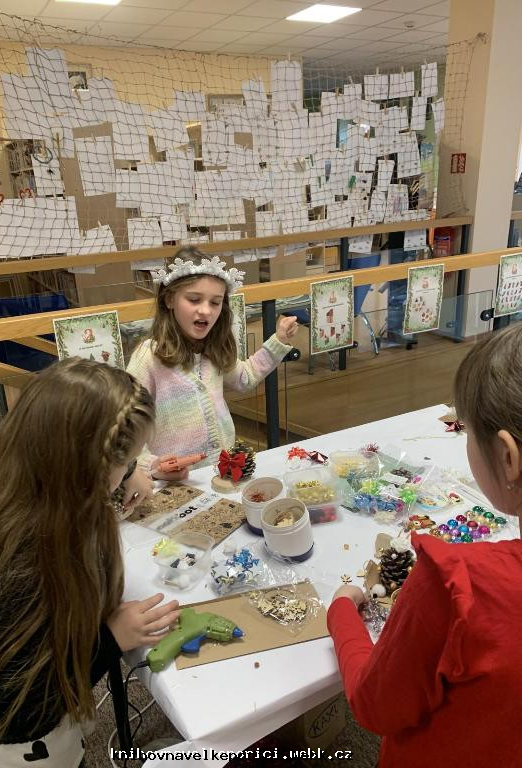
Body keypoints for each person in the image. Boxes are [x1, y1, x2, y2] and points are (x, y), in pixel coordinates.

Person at [0, 358, 180, 768]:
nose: (131, 469)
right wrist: (110, 640)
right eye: (126, 460)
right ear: (88, 472)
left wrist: (126, 472)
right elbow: (15, 715)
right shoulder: (20, 570)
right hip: (11, 743)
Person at [327, 324, 522, 767]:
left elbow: (375, 706)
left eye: (466, 431)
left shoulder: (460, 584)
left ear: (508, 457)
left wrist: (341, 610)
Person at [127, 248, 298, 478]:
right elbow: (126, 426)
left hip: (221, 472)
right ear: (169, 299)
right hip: (173, 484)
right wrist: (152, 465)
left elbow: (244, 378)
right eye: (194, 299)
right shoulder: (148, 357)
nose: (206, 310)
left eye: (215, 302)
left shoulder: (213, 348)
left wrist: (278, 342)